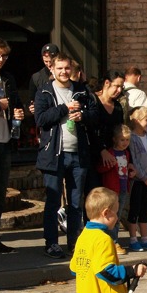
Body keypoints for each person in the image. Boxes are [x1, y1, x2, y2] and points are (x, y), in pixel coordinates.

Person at [34, 52, 95, 258]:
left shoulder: (81, 90)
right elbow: (41, 119)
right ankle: (51, 243)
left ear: (72, 69)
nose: (63, 72)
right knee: (52, 201)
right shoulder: (44, 91)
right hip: (54, 154)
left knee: (76, 202)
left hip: (78, 154)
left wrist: (82, 115)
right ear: (52, 69)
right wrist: (64, 108)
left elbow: (95, 115)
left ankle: (74, 242)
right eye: (59, 68)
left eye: (67, 68)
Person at [0, 37, 25, 257]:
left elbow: (15, 102)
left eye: (4, 56)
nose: (0, 59)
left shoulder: (7, 78)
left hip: (5, 140)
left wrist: (19, 112)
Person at [84, 70, 126, 213]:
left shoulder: (118, 107)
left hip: (112, 157)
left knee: (111, 197)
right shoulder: (93, 100)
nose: (119, 90)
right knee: (94, 195)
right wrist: (102, 150)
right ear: (107, 83)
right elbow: (89, 129)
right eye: (117, 86)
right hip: (94, 155)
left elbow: (120, 131)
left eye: (122, 87)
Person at [95, 124, 136, 255]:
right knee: (109, 216)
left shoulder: (126, 153)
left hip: (123, 188)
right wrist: (110, 166)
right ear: (115, 139)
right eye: (122, 140)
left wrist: (130, 172)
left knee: (117, 217)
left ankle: (114, 240)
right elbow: (100, 168)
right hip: (111, 189)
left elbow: (125, 169)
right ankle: (109, 241)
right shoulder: (110, 153)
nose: (125, 143)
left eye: (127, 140)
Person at [127, 106, 147, 252]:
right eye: (146, 120)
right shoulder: (132, 138)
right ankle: (133, 239)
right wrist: (144, 177)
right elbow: (134, 160)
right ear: (137, 121)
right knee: (134, 208)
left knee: (144, 209)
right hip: (138, 181)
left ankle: (145, 238)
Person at [28, 43, 59, 112]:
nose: (49, 64)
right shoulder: (36, 77)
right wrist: (32, 107)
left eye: (51, 61)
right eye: (46, 61)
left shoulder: (65, 73)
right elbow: (31, 99)